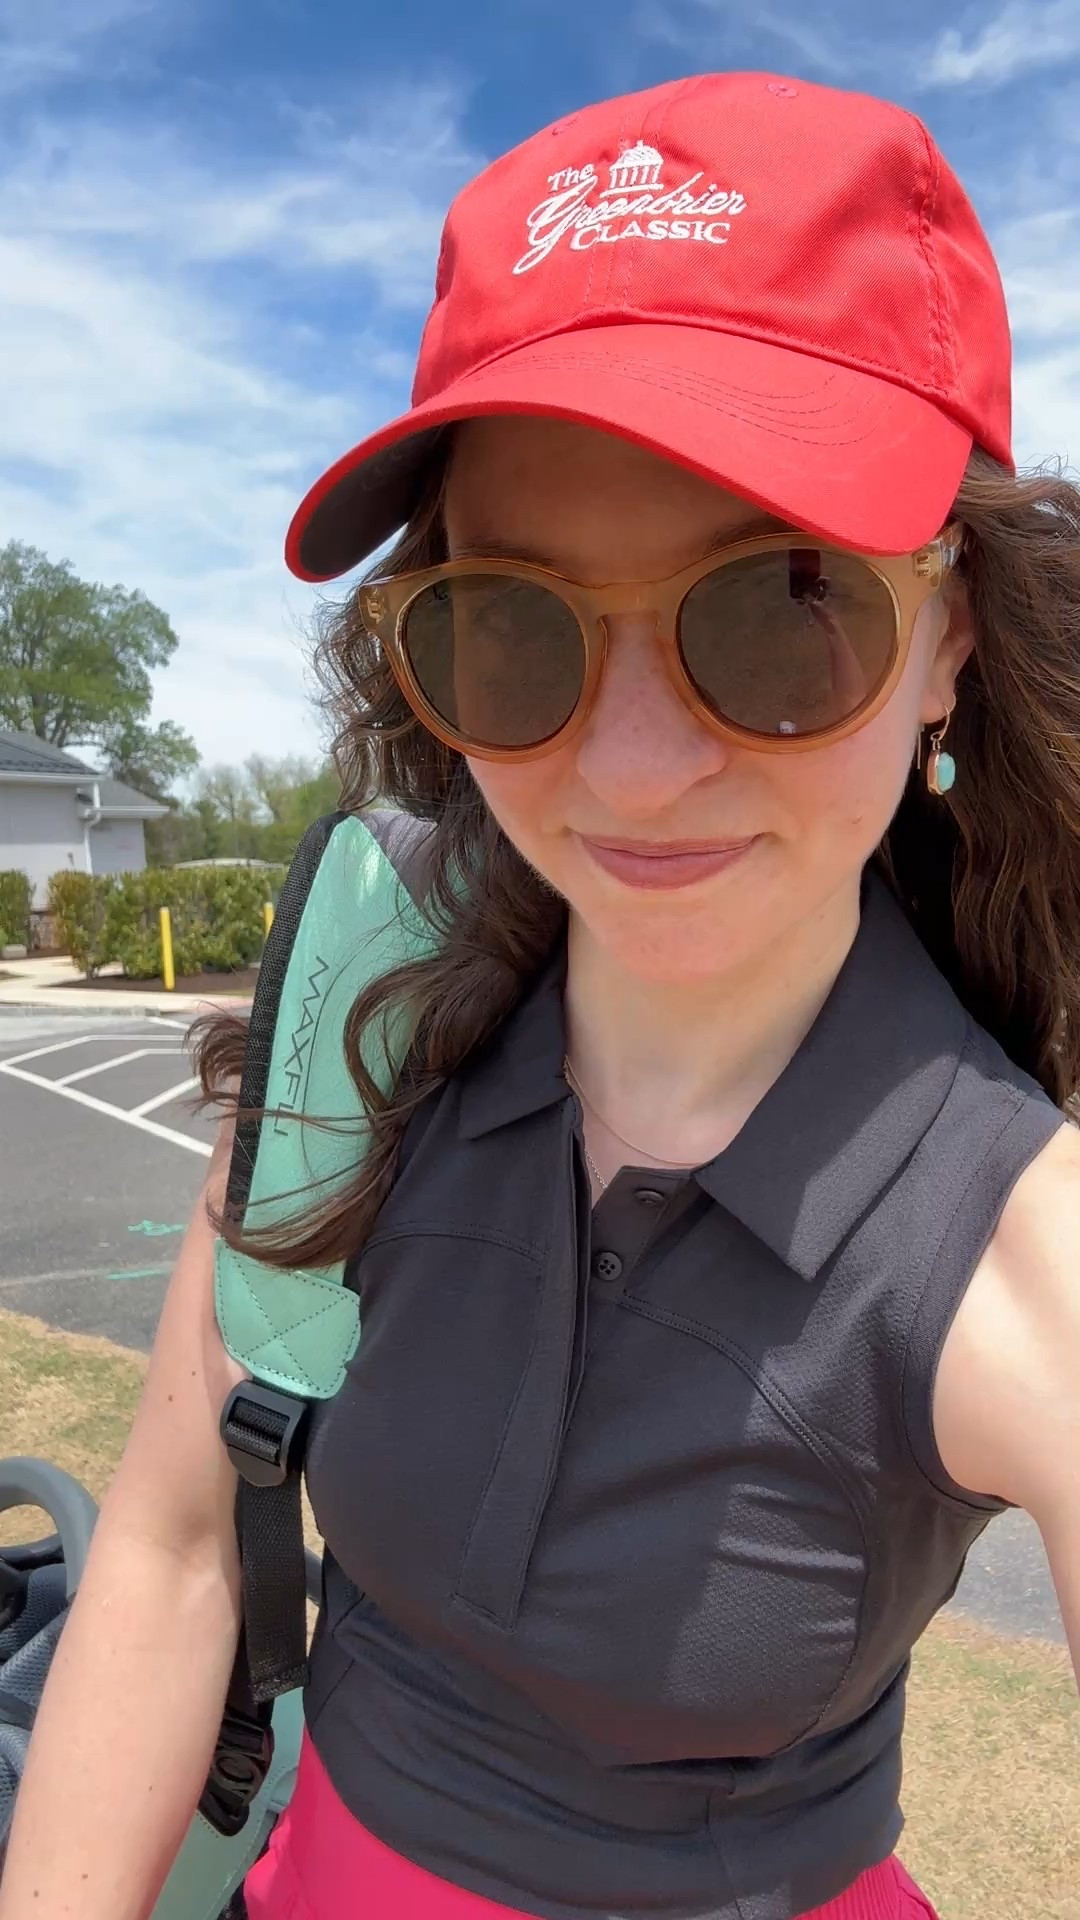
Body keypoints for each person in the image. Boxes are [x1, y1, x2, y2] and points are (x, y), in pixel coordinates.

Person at [2, 67, 1078, 1920]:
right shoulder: (370, 1029)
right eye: (514, 626)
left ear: (949, 639)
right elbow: (175, 1553)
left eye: (786, 602)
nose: (635, 768)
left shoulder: (1018, 1258)